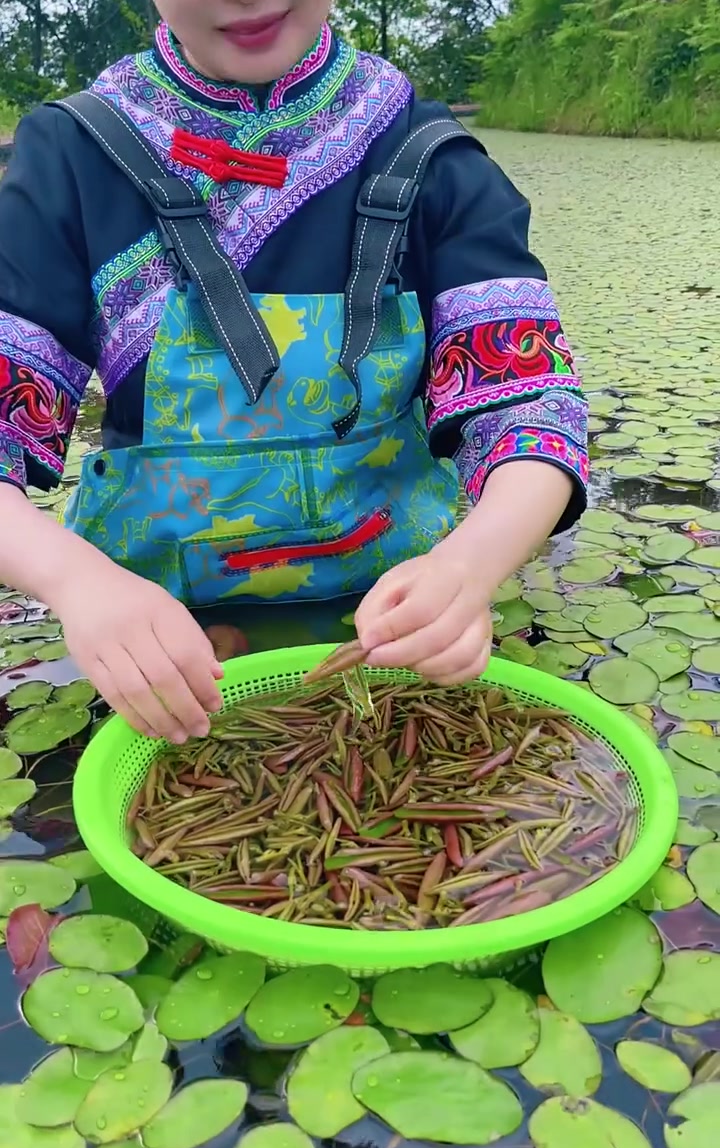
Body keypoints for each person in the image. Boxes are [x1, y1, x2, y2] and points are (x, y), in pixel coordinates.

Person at [0, 0, 588, 747]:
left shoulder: (426, 148)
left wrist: (473, 566)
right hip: (152, 643)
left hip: (401, 636)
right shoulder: (72, 154)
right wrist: (77, 583)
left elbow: (533, 410)